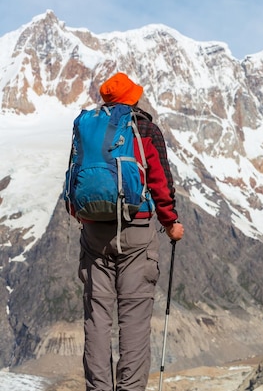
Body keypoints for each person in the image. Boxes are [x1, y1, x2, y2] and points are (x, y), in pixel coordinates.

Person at [73, 72, 184, 390]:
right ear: (132, 98)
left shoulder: (87, 127)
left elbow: (75, 175)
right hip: (137, 231)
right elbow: (161, 182)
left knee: (97, 318)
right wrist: (170, 223)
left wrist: (84, 217)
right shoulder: (145, 127)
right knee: (133, 320)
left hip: (94, 231)